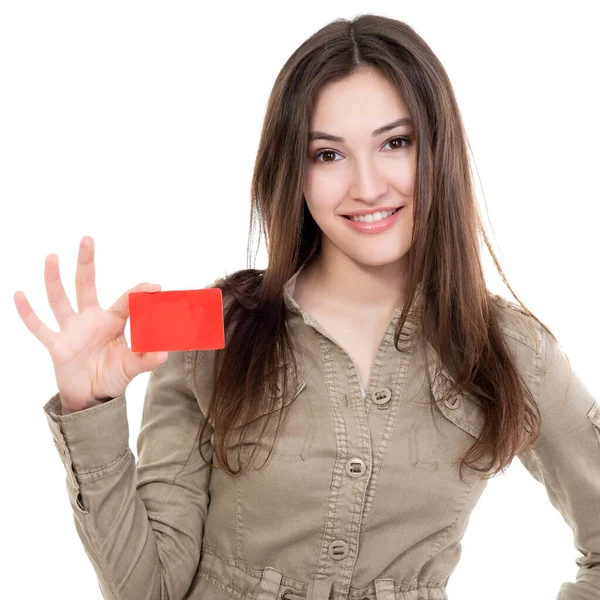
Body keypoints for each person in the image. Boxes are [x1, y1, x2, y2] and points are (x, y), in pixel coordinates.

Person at [14, 14, 600, 600]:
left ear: (438, 151)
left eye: (396, 143)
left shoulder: (507, 348)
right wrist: (89, 404)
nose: (367, 186)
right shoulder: (207, 323)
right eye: (328, 155)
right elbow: (149, 591)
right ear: (292, 170)